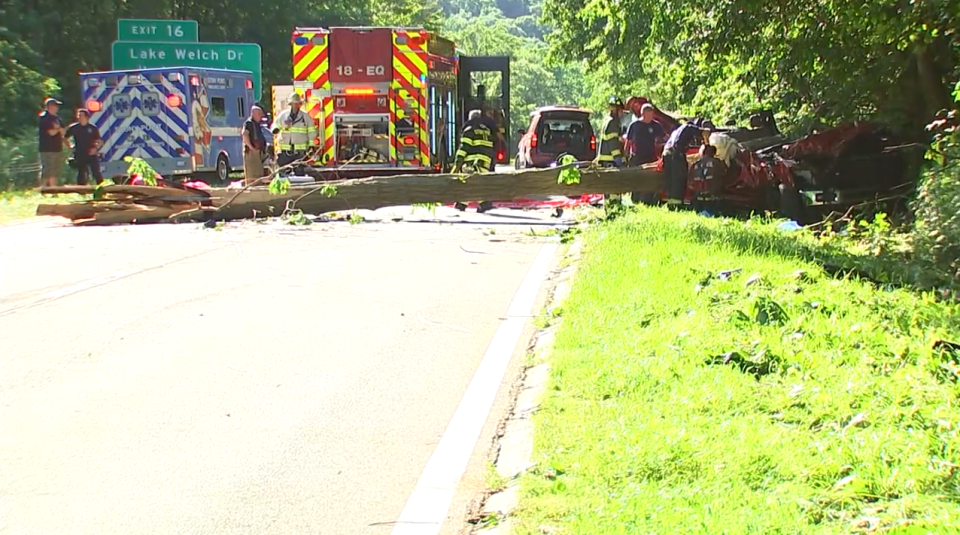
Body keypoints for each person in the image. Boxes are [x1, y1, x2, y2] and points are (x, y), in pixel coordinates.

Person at [661, 120, 711, 206]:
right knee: (679, 178)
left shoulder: (676, 132)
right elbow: (706, 131)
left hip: (666, 154)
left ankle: (670, 202)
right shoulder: (688, 127)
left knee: (670, 179)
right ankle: (677, 203)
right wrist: (707, 144)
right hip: (676, 154)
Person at [453, 109, 494, 213]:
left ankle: (478, 203)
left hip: (473, 161)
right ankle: (463, 204)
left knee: (468, 182)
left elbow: (464, 148)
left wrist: (458, 163)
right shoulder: (486, 130)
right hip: (485, 161)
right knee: (477, 182)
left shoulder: (469, 130)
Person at [271, 93, 317, 174]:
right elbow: (276, 124)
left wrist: (311, 145)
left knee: (299, 172)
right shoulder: (283, 115)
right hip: (285, 150)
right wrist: (276, 129)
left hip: (299, 151)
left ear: (300, 104)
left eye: (297, 103)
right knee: (284, 173)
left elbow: (311, 131)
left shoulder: (305, 117)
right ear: (290, 104)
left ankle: (298, 186)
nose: (295, 105)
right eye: (294, 103)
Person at [63, 109, 103, 185]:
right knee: (81, 173)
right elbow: (65, 138)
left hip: (91, 153)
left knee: (96, 172)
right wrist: (70, 146)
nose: (79, 117)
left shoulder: (92, 128)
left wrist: (96, 149)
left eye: (81, 115)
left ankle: (101, 188)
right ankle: (81, 190)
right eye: (78, 115)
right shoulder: (74, 128)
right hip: (79, 153)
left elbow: (100, 141)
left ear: (86, 117)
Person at [38, 98, 65, 188]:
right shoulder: (44, 118)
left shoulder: (57, 118)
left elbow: (63, 131)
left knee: (55, 169)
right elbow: (51, 133)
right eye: (55, 105)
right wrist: (57, 129)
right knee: (47, 169)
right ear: (50, 106)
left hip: (57, 147)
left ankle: (53, 188)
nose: (57, 107)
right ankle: (43, 188)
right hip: (46, 148)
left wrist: (58, 129)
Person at [595, 96, 624, 167]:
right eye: (620, 110)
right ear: (615, 110)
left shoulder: (607, 120)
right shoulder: (612, 123)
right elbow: (613, 142)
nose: (622, 113)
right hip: (611, 160)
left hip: (606, 160)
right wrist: (618, 158)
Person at [242, 105, 267, 184]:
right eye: (259, 114)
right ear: (253, 113)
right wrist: (251, 147)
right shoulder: (249, 123)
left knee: (258, 174)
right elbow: (244, 134)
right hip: (251, 153)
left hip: (258, 153)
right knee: (252, 175)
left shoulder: (256, 124)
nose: (261, 116)